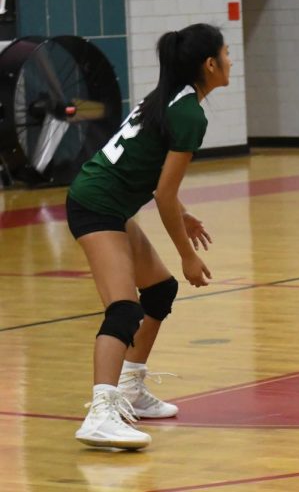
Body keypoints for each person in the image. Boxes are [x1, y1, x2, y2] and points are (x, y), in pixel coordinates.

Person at [66, 24, 231, 448]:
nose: (231, 62)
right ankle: (101, 412)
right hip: (96, 205)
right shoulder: (190, 113)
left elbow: (151, 173)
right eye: (227, 54)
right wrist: (187, 255)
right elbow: (163, 193)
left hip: (109, 201)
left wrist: (184, 214)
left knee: (158, 291)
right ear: (209, 64)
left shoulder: (171, 99)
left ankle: (131, 391)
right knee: (123, 310)